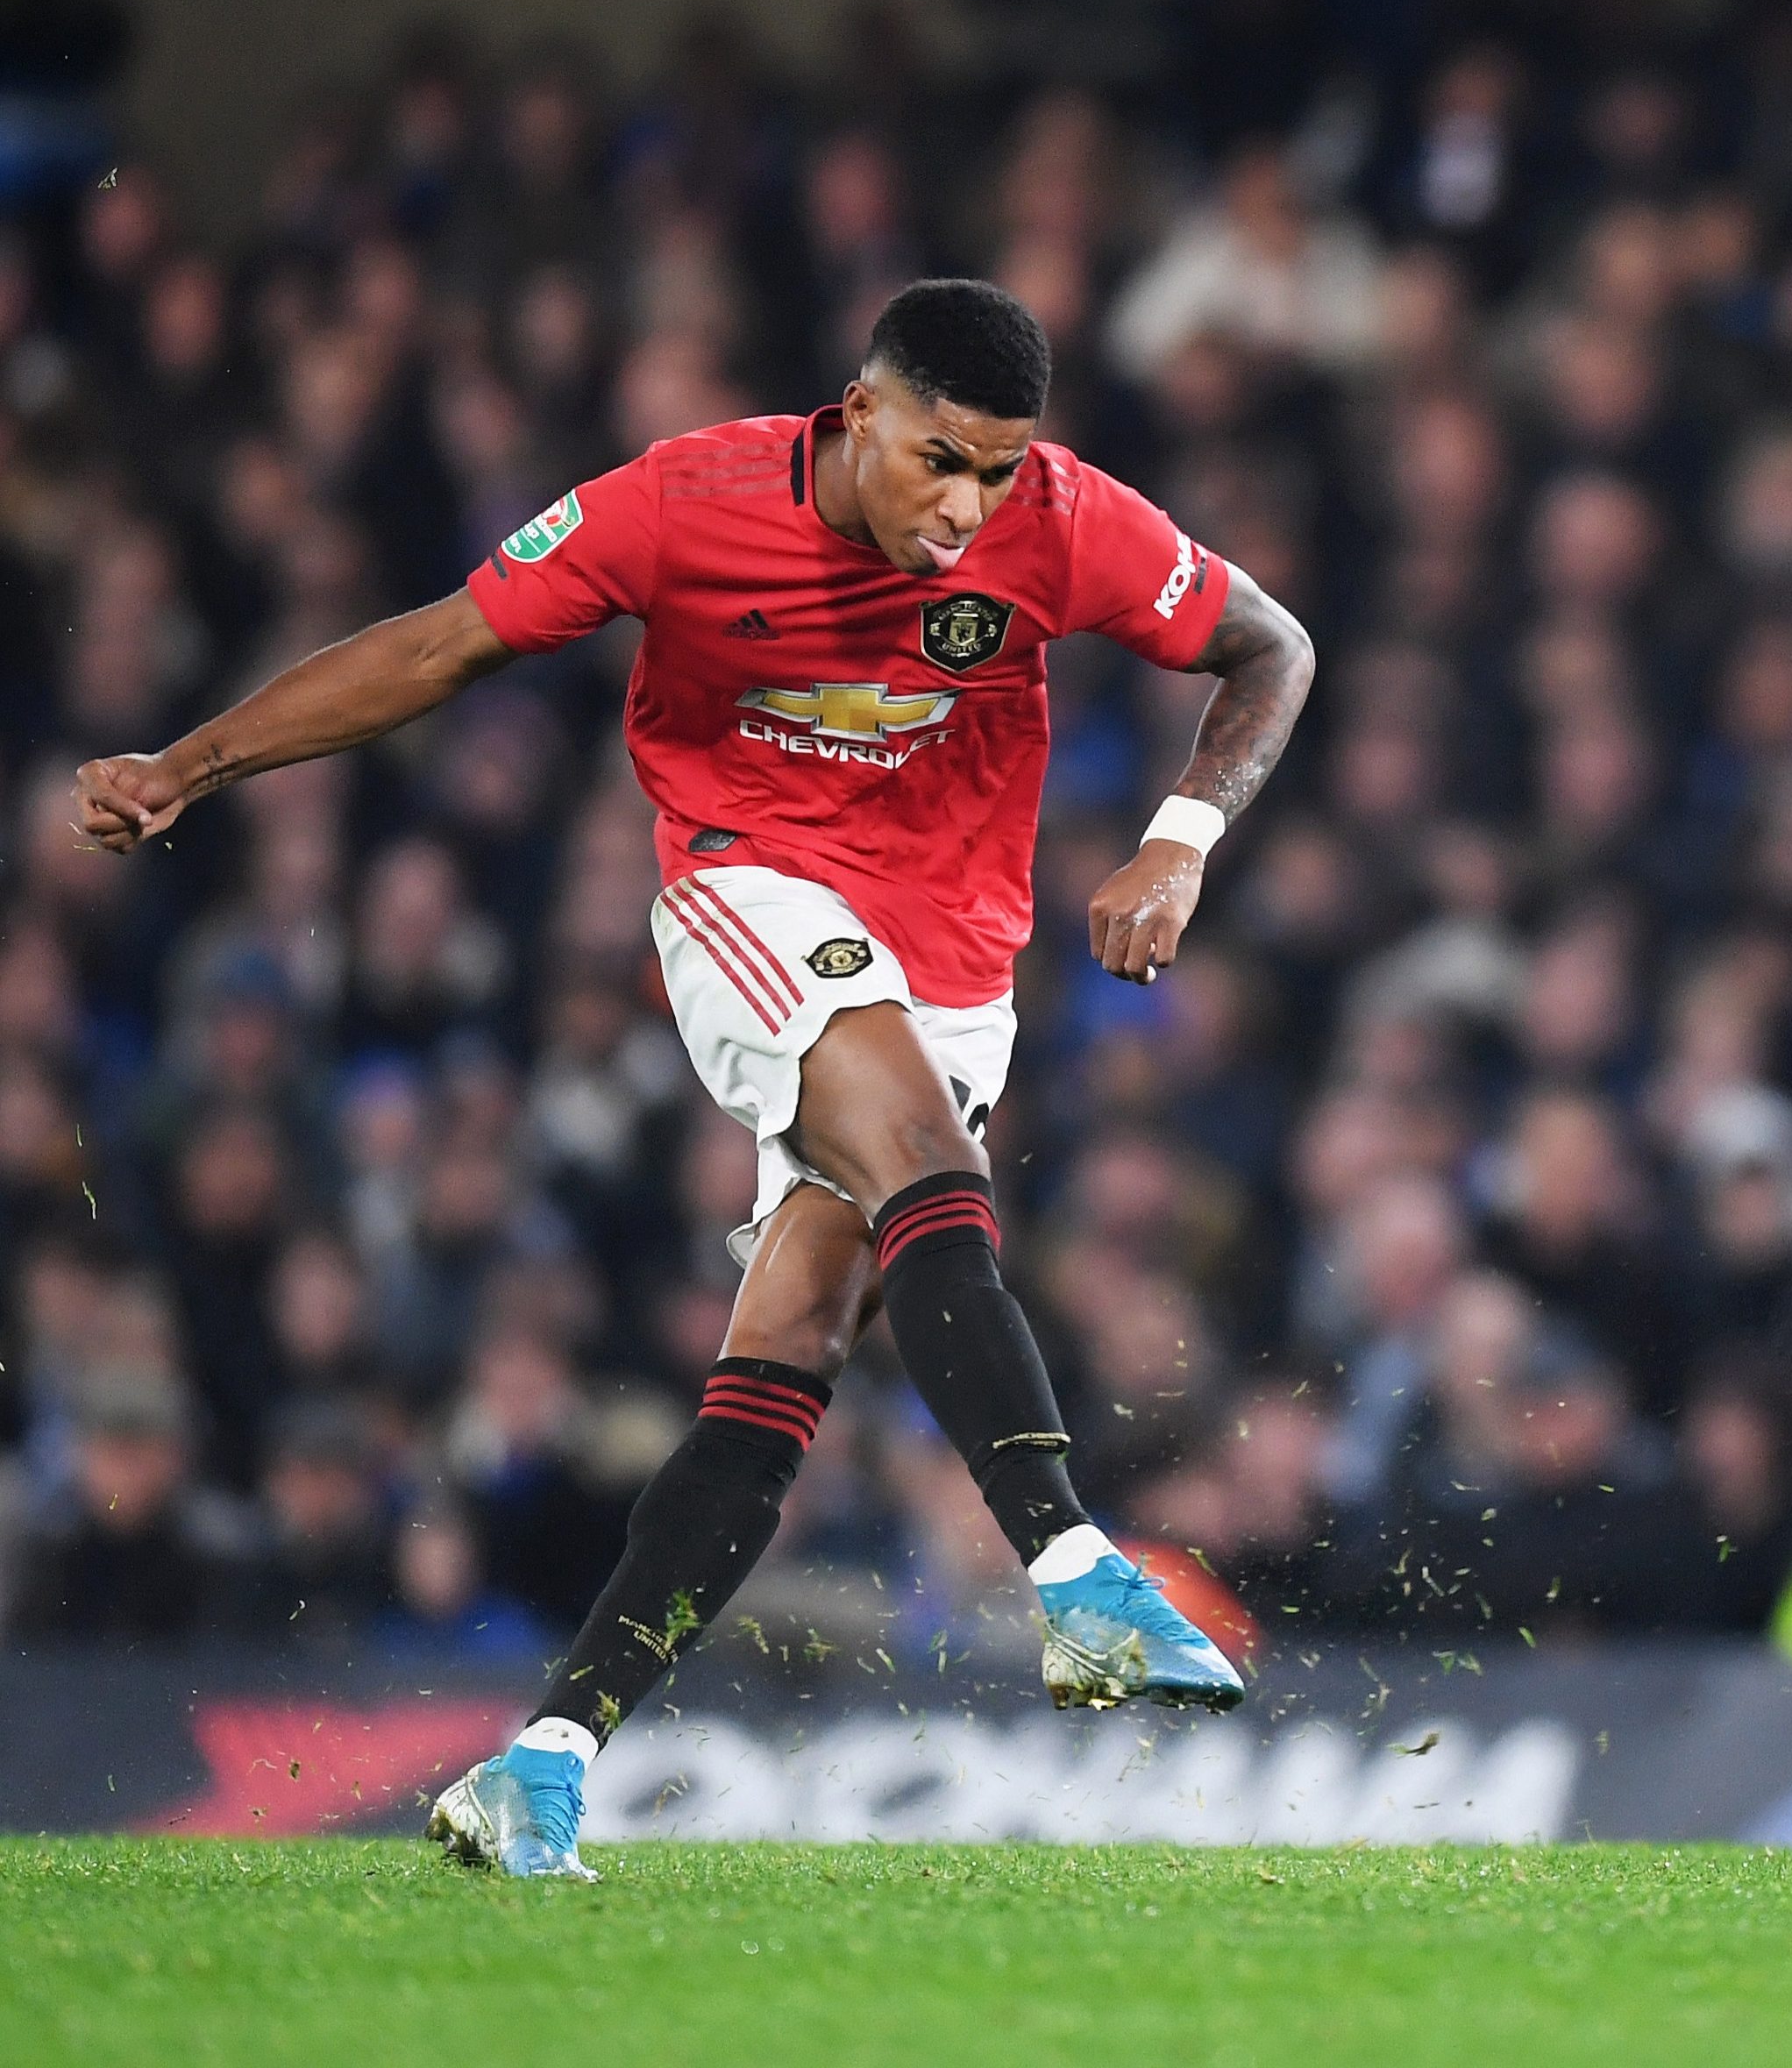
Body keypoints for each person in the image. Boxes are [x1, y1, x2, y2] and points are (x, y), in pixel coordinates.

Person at [71, 280, 1315, 1880]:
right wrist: (189, 765)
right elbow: (444, 646)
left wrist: (1180, 836)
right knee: (924, 1154)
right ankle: (1073, 1566)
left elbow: (1269, 646)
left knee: (787, 1357)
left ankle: (545, 1757)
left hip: (957, 961)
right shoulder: (685, 501)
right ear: (860, 412)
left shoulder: (1060, 523)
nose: (969, 505)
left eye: (1000, 471)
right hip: (751, 888)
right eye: (943, 459)